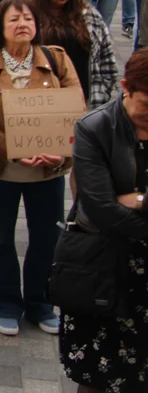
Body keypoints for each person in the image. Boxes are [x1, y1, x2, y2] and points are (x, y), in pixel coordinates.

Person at [0, 0, 77, 339]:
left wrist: (62, 153)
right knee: (0, 238)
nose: (23, 25)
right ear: (0, 27)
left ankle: (41, 302)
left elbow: (76, 110)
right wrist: (14, 150)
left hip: (47, 170)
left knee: (46, 236)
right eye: (14, 20)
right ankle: (4, 304)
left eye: (28, 19)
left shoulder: (56, 59)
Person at [60, 49, 148, 392]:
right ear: (126, 87)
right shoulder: (95, 127)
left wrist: (136, 199)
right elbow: (100, 209)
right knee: (99, 375)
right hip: (103, 264)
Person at [30, 0, 119, 110]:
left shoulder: (89, 15)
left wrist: (102, 92)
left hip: (84, 98)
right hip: (42, 100)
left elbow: (107, 57)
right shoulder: (30, 15)